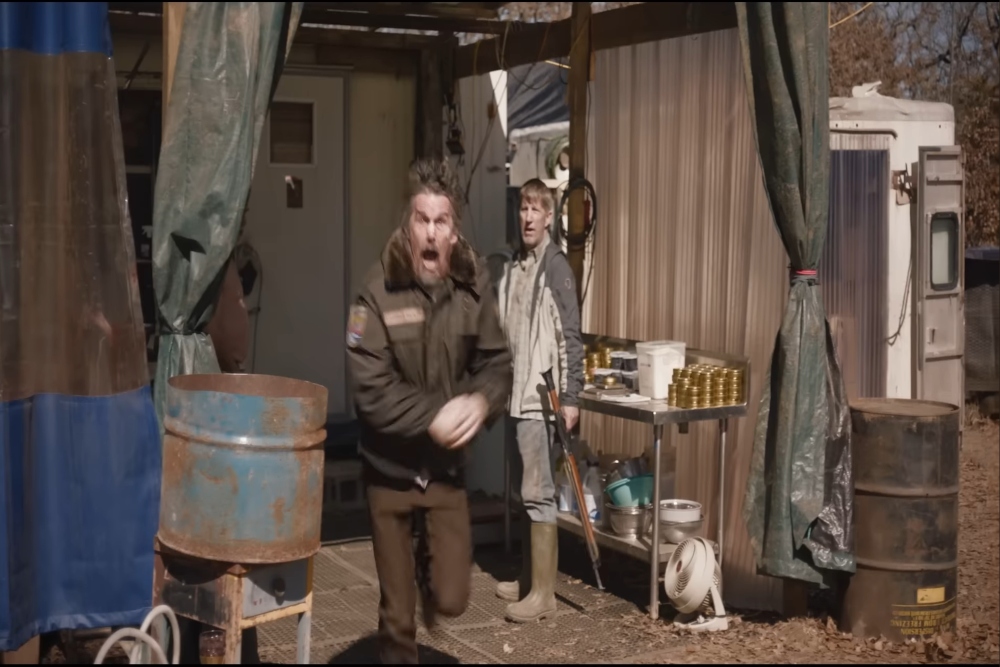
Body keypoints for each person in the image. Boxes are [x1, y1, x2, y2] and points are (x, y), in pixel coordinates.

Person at [347, 157, 513, 664]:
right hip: (389, 470)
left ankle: (427, 566)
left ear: (455, 231)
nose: (432, 232)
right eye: (422, 219)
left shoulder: (473, 286)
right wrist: (432, 417)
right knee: (398, 616)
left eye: (442, 221)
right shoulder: (375, 291)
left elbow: (497, 362)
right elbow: (370, 387)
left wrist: (482, 400)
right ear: (408, 223)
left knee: (452, 599)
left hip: (443, 471)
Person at [494, 178, 584, 623]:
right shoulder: (517, 266)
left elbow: (571, 337)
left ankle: (544, 595)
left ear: (549, 217)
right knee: (522, 491)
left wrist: (571, 397)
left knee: (538, 492)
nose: (527, 217)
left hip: (538, 399)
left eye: (536, 210)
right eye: (523, 209)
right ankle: (530, 578)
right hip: (515, 397)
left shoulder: (556, 267)